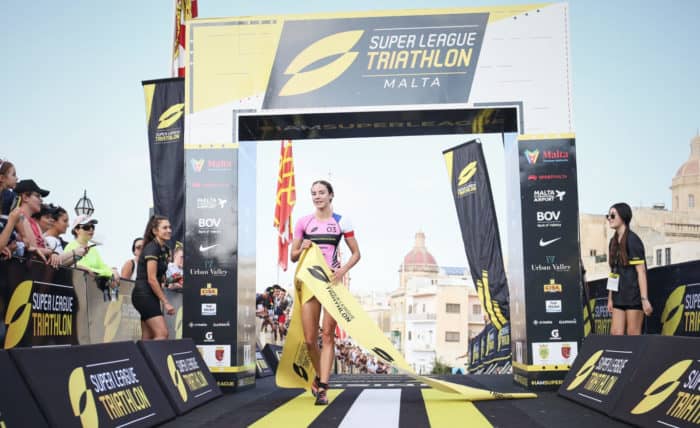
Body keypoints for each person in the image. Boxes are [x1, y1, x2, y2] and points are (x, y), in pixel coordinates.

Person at [290, 180, 360, 405]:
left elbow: (356, 254)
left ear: (331, 195)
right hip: (310, 282)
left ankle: (323, 388)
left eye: (321, 193)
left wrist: (342, 271)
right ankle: (319, 376)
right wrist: (302, 248)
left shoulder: (341, 221)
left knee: (328, 335)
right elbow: (293, 255)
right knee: (311, 339)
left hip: (332, 283)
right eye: (313, 193)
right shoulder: (303, 222)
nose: (317, 196)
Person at [606, 202, 652, 335]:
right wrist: (610, 298)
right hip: (618, 297)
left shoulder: (633, 240)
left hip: (633, 297)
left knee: (633, 334)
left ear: (623, 216)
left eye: (613, 215)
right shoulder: (613, 242)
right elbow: (613, 272)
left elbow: (641, 271)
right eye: (608, 215)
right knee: (616, 334)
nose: (609, 218)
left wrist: (644, 299)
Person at [131, 215, 175, 340]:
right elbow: (151, 279)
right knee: (162, 334)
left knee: (148, 336)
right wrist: (165, 302)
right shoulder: (152, 248)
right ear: (155, 231)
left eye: (170, 227)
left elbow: (160, 276)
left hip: (150, 295)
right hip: (143, 295)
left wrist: (170, 281)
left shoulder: (165, 249)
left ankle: (140, 360)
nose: (169, 230)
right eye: (164, 227)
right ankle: (156, 360)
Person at [64, 215, 120, 281]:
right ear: (76, 230)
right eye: (86, 227)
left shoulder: (93, 249)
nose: (91, 229)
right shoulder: (70, 247)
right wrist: (109, 273)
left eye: (93, 227)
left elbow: (102, 266)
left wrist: (112, 270)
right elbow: (80, 268)